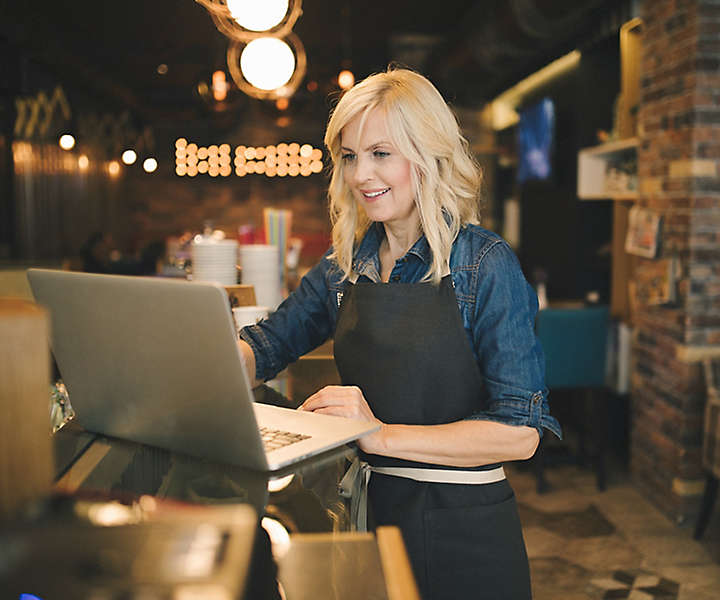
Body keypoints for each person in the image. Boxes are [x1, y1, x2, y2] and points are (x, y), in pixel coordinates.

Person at [238, 67, 561, 600]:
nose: (361, 174)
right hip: (370, 518)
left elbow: (519, 433)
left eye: (381, 153)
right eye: (349, 156)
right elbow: (269, 344)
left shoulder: (484, 265)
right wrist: (203, 365)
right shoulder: (347, 264)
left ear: (429, 154)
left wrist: (378, 435)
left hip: (463, 531)